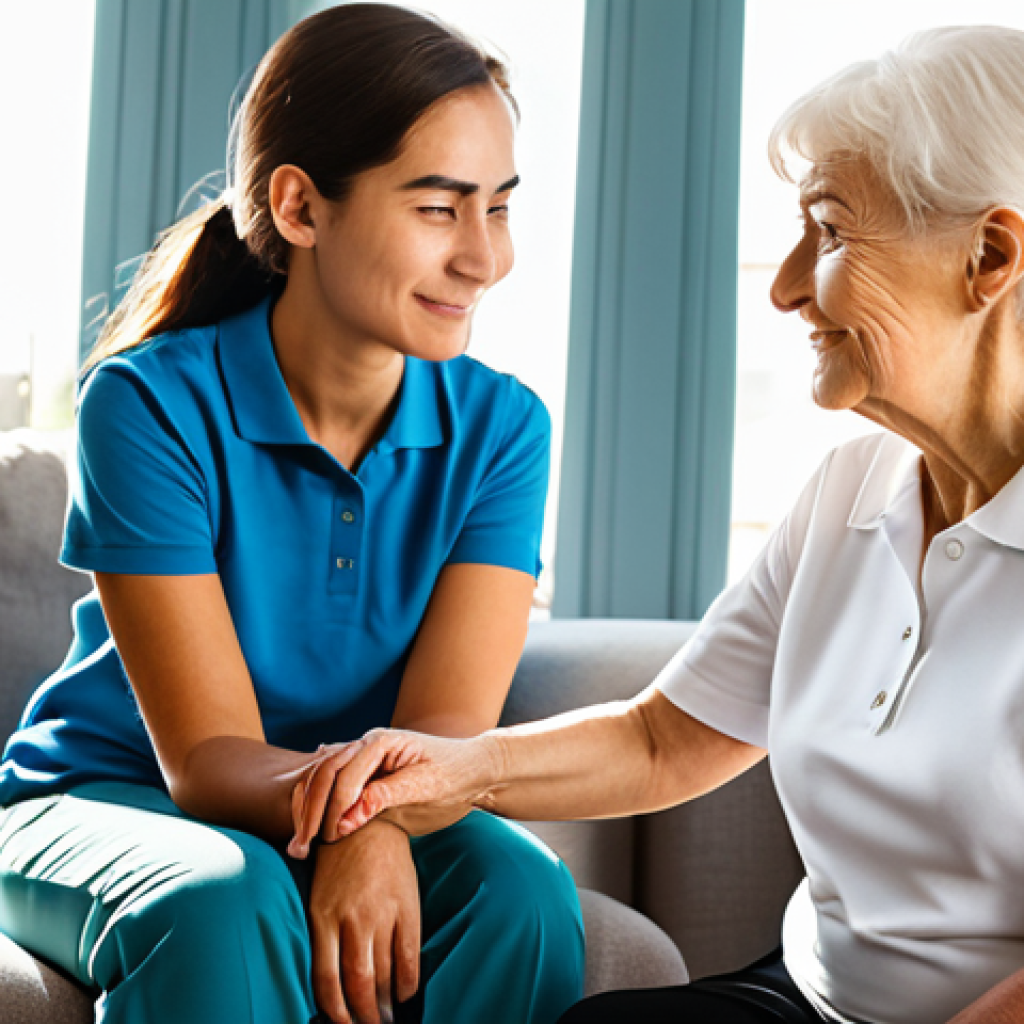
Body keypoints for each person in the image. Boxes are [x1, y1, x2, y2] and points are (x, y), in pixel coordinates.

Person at [289, 24, 1024, 1024]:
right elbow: (663, 739)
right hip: (813, 994)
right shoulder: (849, 487)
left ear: (988, 256)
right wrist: (463, 768)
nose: (783, 285)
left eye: (832, 232)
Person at [0, 5, 584, 1024]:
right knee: (227, 902)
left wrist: (378, 824)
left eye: (498, 207)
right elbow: (210, 757)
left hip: (355, 796)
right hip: (108, 793)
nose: (486, 259)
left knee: (523, 897)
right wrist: (369, 817)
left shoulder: (504, 428)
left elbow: (448, 734)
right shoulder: (146, 403)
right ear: (302, 206)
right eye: (439, 209)